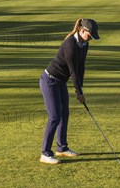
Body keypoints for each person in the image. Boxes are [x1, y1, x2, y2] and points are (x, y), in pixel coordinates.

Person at [39, 18, 100, 165]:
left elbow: (81, 68)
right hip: (49, 81)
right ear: (82, 30)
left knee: (64, 114)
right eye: (89, 35)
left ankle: (62, 147)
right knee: (55, 116)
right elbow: (73, 72)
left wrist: (81, 90)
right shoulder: (70, 45)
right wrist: (78, 92)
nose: (90, 39)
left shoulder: (84, 44)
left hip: (60, 82)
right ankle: (45, 153)